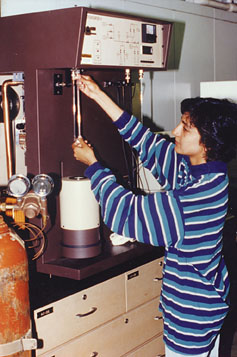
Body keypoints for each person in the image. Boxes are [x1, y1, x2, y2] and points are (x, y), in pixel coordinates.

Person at [72, 74, 237, 356]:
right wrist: (98, 95)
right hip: (206, 302)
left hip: (191, 317)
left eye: (185, 128)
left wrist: (93, 166)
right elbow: (148, 143)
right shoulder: (209, 174)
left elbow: (125, 212)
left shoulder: (193, 200)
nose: (174, 131)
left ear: (206, 144)